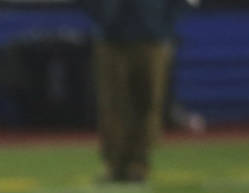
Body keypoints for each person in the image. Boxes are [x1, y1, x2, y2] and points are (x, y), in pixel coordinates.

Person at [81, 0, 191, 183]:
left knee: (148, 105)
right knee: (113, 105)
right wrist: (103, 17)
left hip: (152, 40)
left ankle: (139, 164)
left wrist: (163, 25)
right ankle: (114, 165)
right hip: (111, 39)